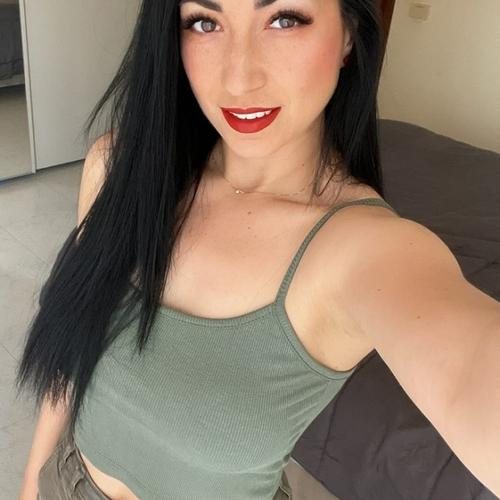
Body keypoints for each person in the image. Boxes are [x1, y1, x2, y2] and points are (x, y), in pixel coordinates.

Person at [16, 0, 500, 499]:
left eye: (284, 19)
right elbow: (72, 344)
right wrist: (33, 478)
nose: (239, 78)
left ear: (349, 35)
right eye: (205, 22)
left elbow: (471, 369)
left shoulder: (368, 250)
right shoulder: (118, 169)